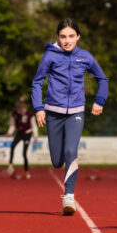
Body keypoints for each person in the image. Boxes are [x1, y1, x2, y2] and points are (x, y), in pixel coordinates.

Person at [31, 18, 108, 215]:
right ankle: (63, 169)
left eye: (71, 36)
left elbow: (102, 79)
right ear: (58, 37)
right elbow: (37, 82)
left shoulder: (85, 57)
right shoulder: (49, 57)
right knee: (57, 161)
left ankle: (69, 197)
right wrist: (39, 107)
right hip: (53, 113)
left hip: (76, 112)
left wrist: (99, 100)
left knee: (71, 150)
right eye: (63, 36)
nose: (67, 40)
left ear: (78, 37)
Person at [6, 96, 37, 178]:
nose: (18, 111)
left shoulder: (29, 114)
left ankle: (26, 171)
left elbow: (34, 126)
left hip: (27, 133)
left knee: (24, 153)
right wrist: (9, 133)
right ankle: (10, 165)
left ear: (22, 107)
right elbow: (12, 125)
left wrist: (35, 136)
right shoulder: (14, 114)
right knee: (12, 146)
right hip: (19, 132)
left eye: (19, 109)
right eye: (17, 109)